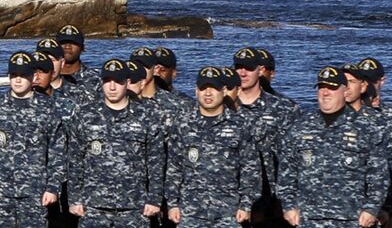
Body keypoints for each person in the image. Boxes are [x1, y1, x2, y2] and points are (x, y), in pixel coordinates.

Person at [276, 67, 387, 228]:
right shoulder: (300, 127)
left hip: (352, 219)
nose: (326, 93)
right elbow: (286, 172)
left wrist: (371, 209)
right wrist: (288, 206)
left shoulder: (366, 128)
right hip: (308, 218)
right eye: (322, 88)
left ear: (345, 91)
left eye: (332, 88)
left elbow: (379, 176)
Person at [63, 60, 162, 227]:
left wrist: (154, 199)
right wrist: (74, 198)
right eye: (108, 81)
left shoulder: (146, 116)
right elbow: (75, 159)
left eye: (118, 81)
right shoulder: (85, 116)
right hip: (93, 205)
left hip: (134, 205)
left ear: (127, 82)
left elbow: (156, 161)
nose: (112, 87)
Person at [165, 68, 256, 228]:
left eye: (213, 88)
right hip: (190, 211)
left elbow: (250, 169)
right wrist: (172, 203)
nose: (208, 93)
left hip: (229, 212)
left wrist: (246, 204)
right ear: (196, 91)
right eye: (203, 88)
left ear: (223, 91)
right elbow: (174, 167)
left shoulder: (240, 125)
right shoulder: (182, 124)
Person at [0, 53, 59, 228]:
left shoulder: (48, 108)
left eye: (23, 75)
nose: (18, 80)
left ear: (33, 77)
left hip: (35, 190)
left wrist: (53, 187)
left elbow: (56, 151)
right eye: (14, 75)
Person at [231, 48, 299, 228]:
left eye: (248, 68)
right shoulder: (222, 107)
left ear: (260, 70)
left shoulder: (283, 108)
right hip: (230, 196)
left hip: (271, 198)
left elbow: (294, 156)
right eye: (238, 67)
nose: (242, 73)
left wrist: (288, 200)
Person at [348, 60, 392, 228]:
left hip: (388, 206)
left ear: (381, 81)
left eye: (373, 80)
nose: (369, 85)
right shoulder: (346, 116)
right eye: (364, 80)